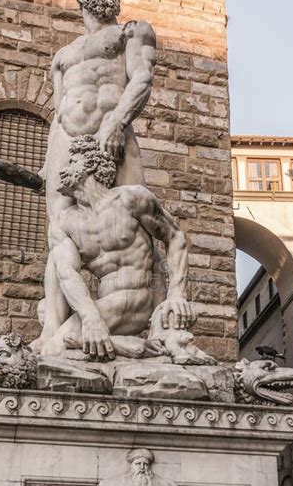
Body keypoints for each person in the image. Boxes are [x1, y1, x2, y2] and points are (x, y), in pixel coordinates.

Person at [33, 0, 157, 354]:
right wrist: (49, 161)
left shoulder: (132, 32)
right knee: (60, 236)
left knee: (138, 224)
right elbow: (58, 112)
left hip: (115, 139)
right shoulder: (61, 56)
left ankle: (152, 326)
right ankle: (51, 332)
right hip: (66, 145)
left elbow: (142, 78)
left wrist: (117, 122)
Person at [45, 135, 211, 362]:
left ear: (91, 164)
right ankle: (127, 346)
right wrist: (90, 317)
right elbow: (66, 273)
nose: (63, 170)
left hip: (139, 299)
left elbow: (175, 238)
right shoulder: (64, 221)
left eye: (72, 162)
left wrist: (176, 295)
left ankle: (109, 341)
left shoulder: (130, 198)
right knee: (52, 326)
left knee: (54, 348)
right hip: (104, 306)